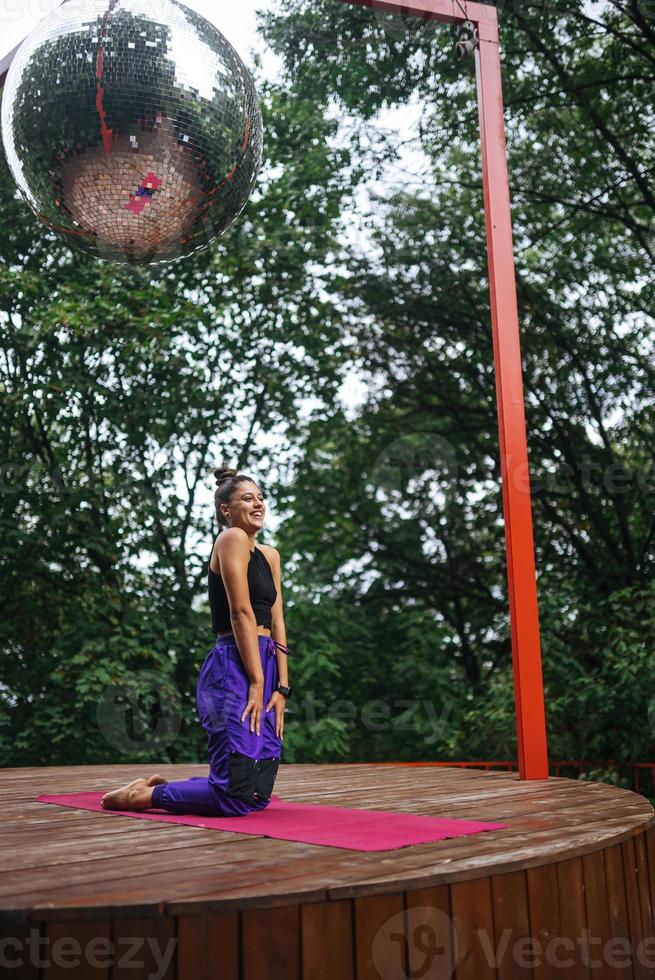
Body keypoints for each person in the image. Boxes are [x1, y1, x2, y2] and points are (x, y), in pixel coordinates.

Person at [101, 466, 291, 814]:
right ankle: (140, 797)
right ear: (226, 510)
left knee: (256, 795)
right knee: (233, 797)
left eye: (261, 497)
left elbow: (277, 621)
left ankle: (175, 788)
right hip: (234, 663)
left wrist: (281, 688)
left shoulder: (271, 555)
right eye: (247, 498)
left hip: (264, 662)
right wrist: (256, 680)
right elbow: (240, 614)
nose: (258, 503)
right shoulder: (230, 538)